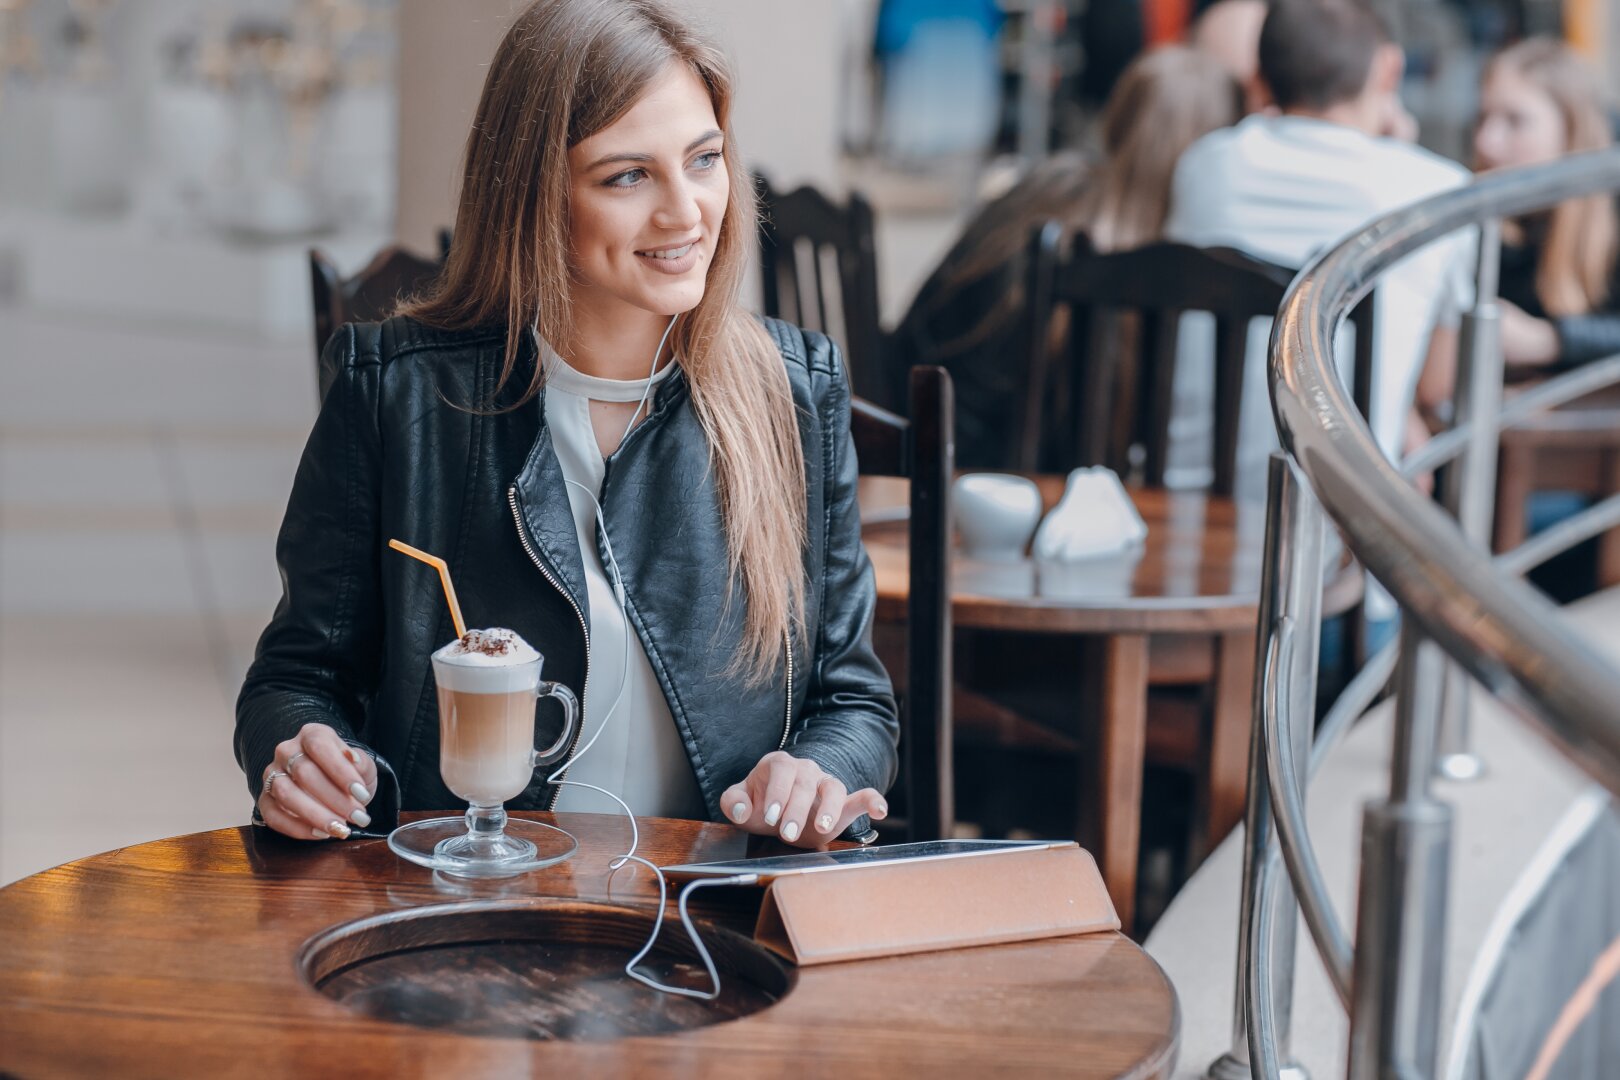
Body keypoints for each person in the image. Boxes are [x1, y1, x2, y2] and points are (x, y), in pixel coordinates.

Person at [235, 0, 898, 850]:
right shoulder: (393, 395)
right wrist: (295, 756)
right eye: (628, 176)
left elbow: (852, 700)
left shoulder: (795, 398)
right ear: (535, 196)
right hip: (461, 912)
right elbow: (296, 679)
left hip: (709, 918)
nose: (687, 212)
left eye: (703, 160)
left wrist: (820, 772)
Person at [1162, 0, 1475, 648]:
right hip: (1332, 586)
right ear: (1388, 70)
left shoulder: (1204, 165)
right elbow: (1437, 388)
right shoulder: (1435, 191)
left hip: (1179, 552)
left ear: (1262, 79)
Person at [889, 46, 1243, 468]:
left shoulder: (1042, 189)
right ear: (1216, 151)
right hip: (995, 486)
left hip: (908, 433)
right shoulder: (1167, 271)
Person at [1421, 37, 1619, 403]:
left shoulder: (1613, 213)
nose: (1486, 142)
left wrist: (1549, 340)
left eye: (1516, 121)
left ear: (1572, 130)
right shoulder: (1474, 229)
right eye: (1482, 118)